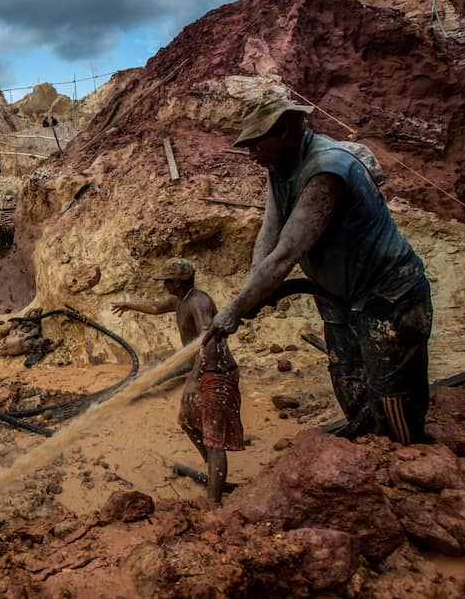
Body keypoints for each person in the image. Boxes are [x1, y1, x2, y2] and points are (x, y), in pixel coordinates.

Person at [203, 96, 433, 445]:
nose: (251, 154)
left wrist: (236, 308)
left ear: (285, 131)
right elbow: (270, 232)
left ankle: (405, 460)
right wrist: (251, 292)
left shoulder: (326, 171)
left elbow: (286, 255)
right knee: (347, 376)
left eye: (256, 143)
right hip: (337, 296)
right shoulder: (280, 169)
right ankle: (367, 454)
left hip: (388, 294)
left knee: (392, 391)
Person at [111, 258, 241, 504]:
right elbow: (156, 306)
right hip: (203, 370)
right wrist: (129, 305)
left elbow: (209, 342)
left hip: (218, 372)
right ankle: (214, 470)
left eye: (166, 282)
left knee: (213, 439)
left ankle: (214, 503)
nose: (163, 286)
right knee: (188, 422)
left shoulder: (198, 302)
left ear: (178, 283)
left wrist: (193, 380)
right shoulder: (180, 299)